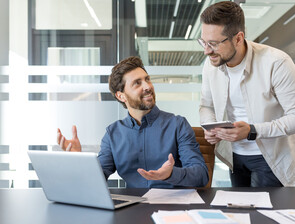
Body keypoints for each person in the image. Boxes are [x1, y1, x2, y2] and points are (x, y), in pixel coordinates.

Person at [198, 1, 295, 187]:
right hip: (234, 157)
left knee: (264, 215)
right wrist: (211, 127)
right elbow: (206, 105)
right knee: (241, 214)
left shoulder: (276, 63)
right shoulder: (211, 64)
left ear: (238, 38)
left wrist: (252, 131)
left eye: (214, 43)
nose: (206, 51)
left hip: (270, 159)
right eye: (204, 42)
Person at [57, 56, 208, 188]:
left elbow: (201, 175)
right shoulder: (113, 134)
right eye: (137, 83)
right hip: (131, 209)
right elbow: (97, 178)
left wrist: (171, 174)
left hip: (172, 210)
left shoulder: (177, 125)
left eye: (147, 79)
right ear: (121, 96)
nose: (148, 86)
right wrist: (78, 159)